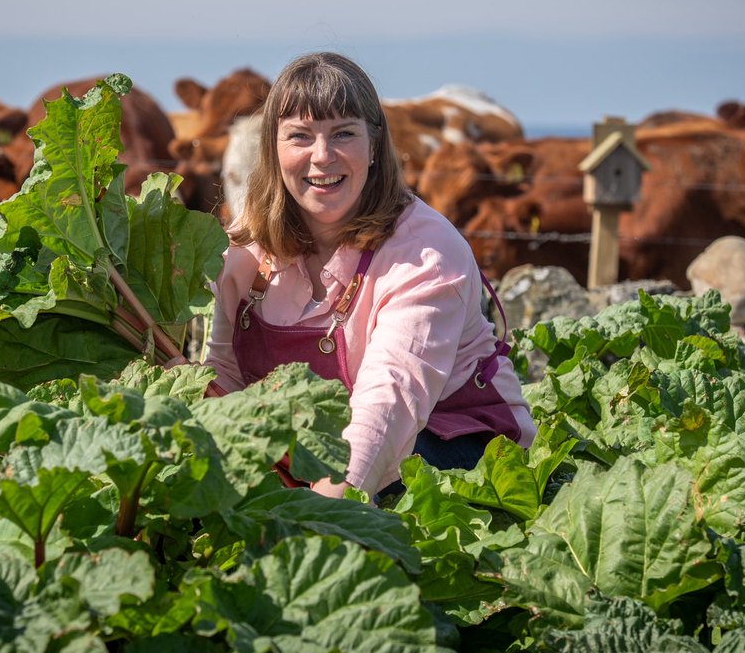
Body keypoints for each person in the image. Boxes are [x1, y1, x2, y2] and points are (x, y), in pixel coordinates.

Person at [203, 52, 536, 498]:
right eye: (299, 136)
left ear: (375, 146)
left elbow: (389, 404)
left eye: (344, 134)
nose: (322, 156)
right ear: (273, 149)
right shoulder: (246, 245)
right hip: (311, 456)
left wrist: (320, 516)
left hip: (453, 449)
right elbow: (225, 372)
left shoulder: (427, 253)